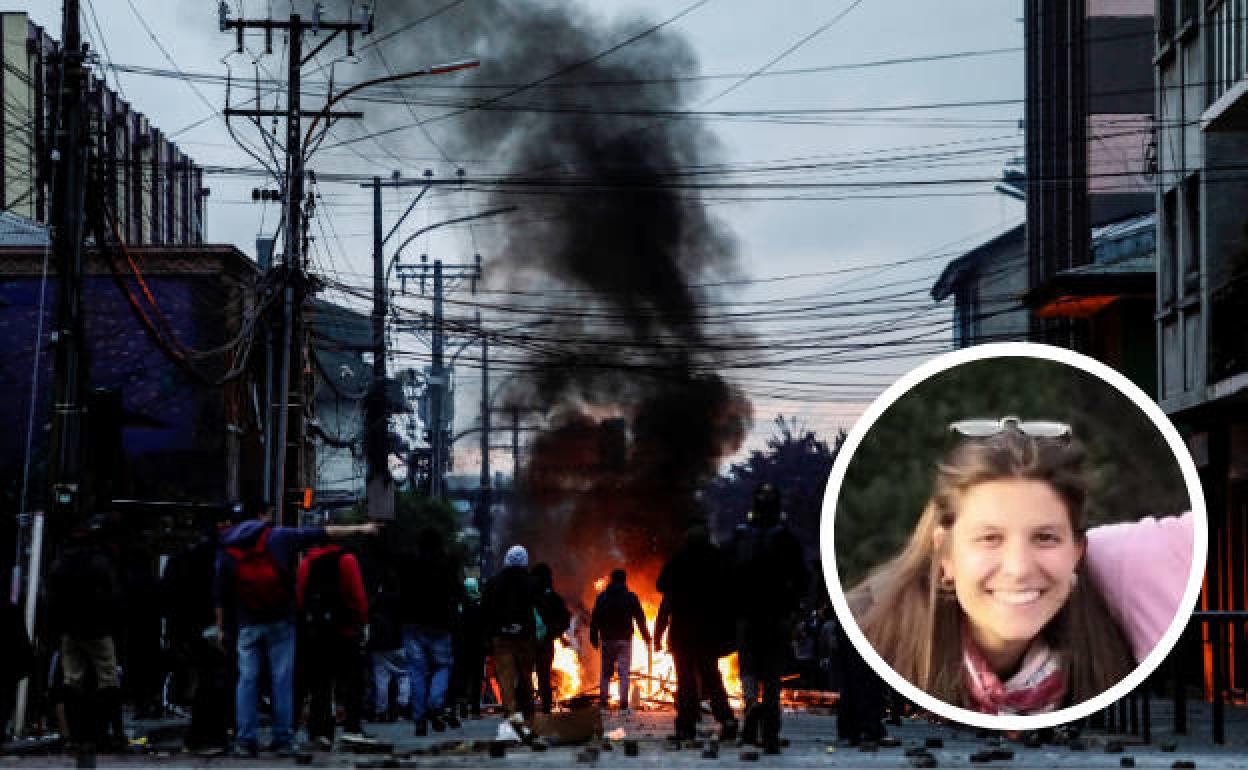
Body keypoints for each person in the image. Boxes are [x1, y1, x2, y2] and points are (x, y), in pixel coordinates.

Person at [850, 417, 1135, 715]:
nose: (1018, 568)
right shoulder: (868, 644)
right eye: (989, 538)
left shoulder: (1120, 652)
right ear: (946, 555)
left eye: (1045, 538)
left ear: (1077, 553)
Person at [214, 504, 380, 757]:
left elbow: (220, 595)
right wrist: (361, 528)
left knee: (247, 680)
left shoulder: (227, 548)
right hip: (281, 620)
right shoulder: (278, 536)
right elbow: (324, 533)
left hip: (247, 622)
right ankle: (283, 739)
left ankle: (245, 739)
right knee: (282, 680)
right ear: (263, 520)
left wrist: (222, 628)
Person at [727, 482, 809, 753]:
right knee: (772, 678)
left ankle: (750, 709)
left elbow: (724, 574)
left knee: (748, 669)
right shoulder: (786, 539)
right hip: (776, 617)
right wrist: (796, 611)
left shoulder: (740, 537)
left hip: (746, 617)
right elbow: (803, 579)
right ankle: (770, 735)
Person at [47, 515, 126, 754]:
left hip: (71, 630)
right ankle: (104, 733)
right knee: (108, 679)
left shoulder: (61, 562)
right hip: (98, 629)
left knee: (72, 680)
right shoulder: (100, 562)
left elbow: (52, 598)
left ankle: (76, 735)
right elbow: (113, 596)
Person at [654, 521, 736, 742]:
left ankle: (686, 727)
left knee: (686, 682)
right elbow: (731, 592)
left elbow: (662, 588)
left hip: (683, 633)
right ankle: (727, 720)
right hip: (709, 632)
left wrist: (659, 634)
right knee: (712, 678)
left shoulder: (679, 560)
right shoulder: (717, 559)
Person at [296, 538, 370, 750]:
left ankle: (320, 731)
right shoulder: (347, 559)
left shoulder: (306, 563)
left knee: (320, 683)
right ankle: (352, 727)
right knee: (353, 681)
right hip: (344, 630)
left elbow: (300, 598)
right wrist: (363, 621)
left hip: (317, 633)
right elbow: (357, 595)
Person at [398, 528, 462, 736]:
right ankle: (435, 702)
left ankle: (419, 719)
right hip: (440, 625)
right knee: (443, 665)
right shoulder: (448, 563)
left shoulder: (409, 562)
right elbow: (457, 591)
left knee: (416, 671)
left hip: (413, 623)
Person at [481, 545, 539, 724]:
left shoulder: (493, 582)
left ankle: (511, 716)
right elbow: (539, 608)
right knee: (525, 676)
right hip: (524, 637)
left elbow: (486, 610)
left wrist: (488, 636)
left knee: (505, 678)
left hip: (501, 637)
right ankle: (529, 715)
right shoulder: (532, 582)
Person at [589, 568, 651, 713]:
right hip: (624, 640)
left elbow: (595, 618)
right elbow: (640, 618)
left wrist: (593, 637)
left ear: (611, 580)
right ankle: (623, 705)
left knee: (606, 673)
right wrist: (647, 637)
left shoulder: (602, 597)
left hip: (607, 639)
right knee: (624, 673)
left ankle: (603, 703)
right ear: (624, 580)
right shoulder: (631, 597)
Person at [366, 564, 409, 723]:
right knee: (404, 675)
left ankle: (381, 710)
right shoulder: (400, 599)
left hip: (379, 645)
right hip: (398, 643)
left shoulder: (377, 599)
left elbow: (367, 614)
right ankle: (402, 704)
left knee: (381, 679)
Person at [530, 563, 571, 714]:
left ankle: (527, 710)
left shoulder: (528, 595)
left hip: (528, 643)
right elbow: (565, 619)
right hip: (545, 643)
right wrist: (553, 632)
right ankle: (545, 709)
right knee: (544, 676)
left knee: (525, 675)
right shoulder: (554, 598)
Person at [451, 577, 487, 719]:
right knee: (477, 678)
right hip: (478, 646)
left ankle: (463, 708)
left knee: (462, 678)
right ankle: (476, 710)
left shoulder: (460, 604)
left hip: (462, 646)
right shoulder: (481, 603)